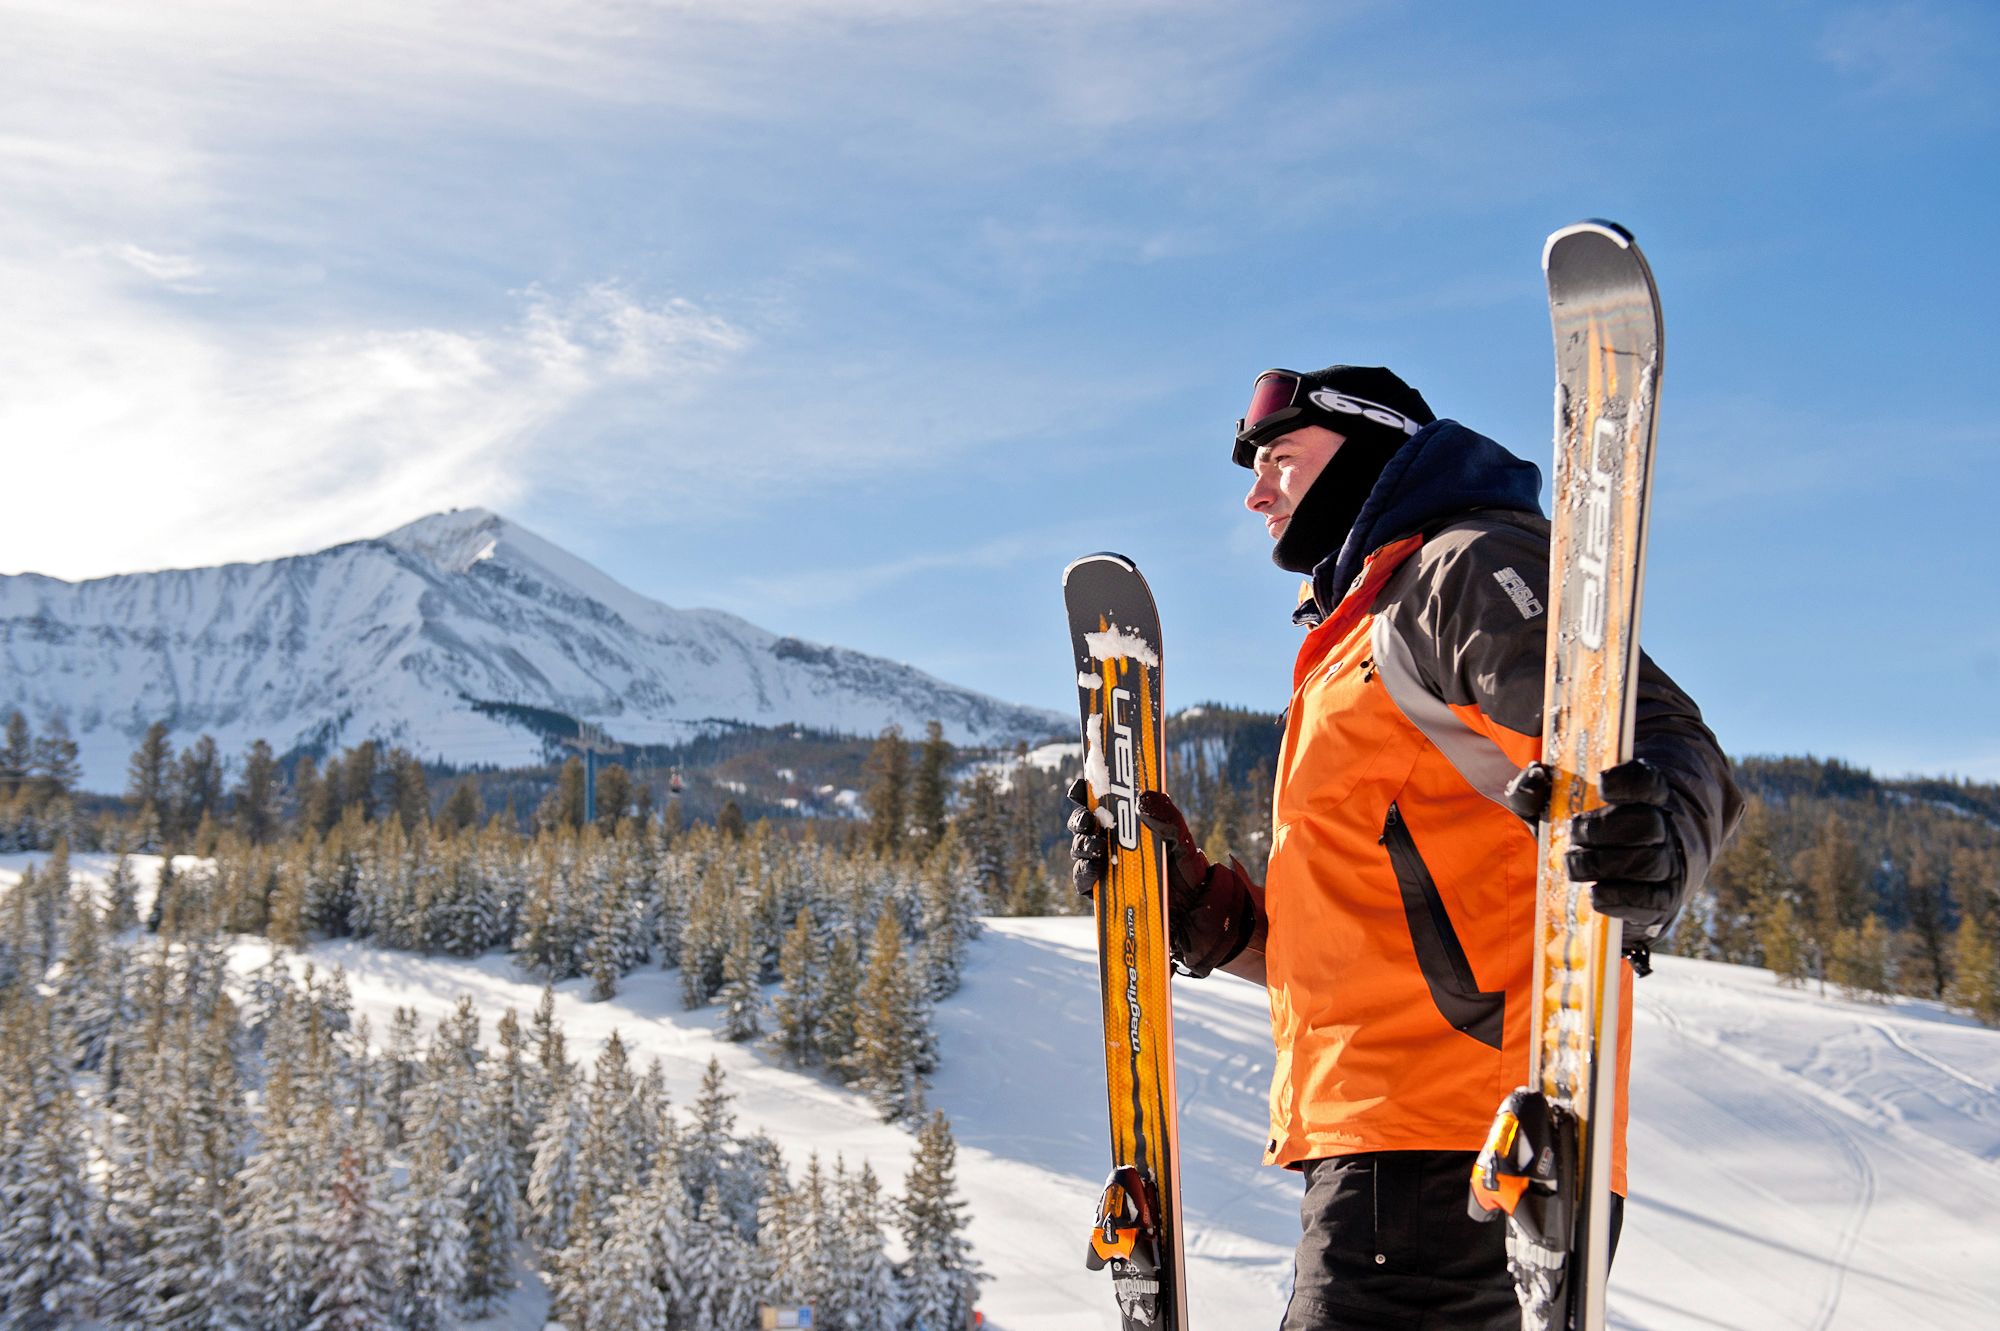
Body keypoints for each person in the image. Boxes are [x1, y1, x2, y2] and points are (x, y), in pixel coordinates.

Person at [1068, 364, 1743, 1331]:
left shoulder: (1459, 569)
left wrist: (1659, 832)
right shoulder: (1357, 631)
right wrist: (1206, 912)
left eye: (1279, 460)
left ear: (1367, 446)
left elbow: (1661, 744)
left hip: (1463, 1152)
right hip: (1391, 1147)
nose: (1256, 492)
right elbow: (1386, 926)